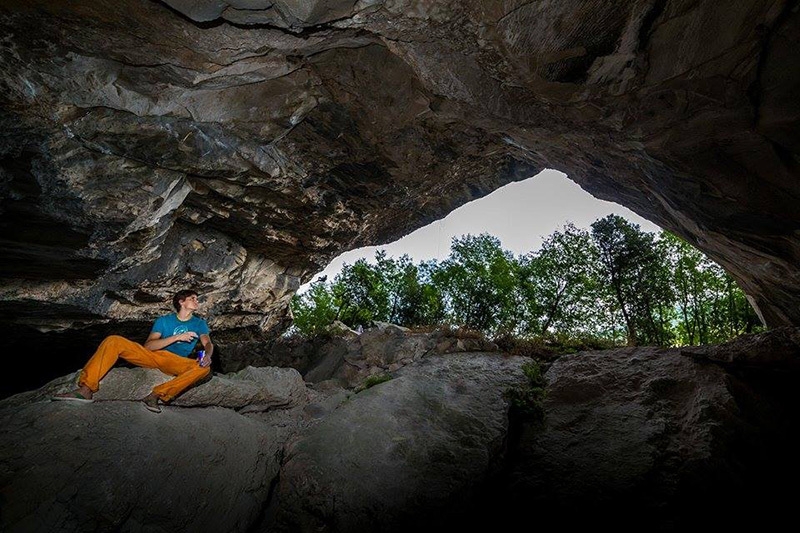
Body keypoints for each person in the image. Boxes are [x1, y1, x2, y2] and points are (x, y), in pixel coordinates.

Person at [52, 289, 214, 413]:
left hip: (176, 362)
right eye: (192, 298)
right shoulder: (164, 321)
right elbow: (148, 346)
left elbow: (207, 343)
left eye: (196, 299)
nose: (196, 301)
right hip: (152, 356)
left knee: (204, 369)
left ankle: (155, 396)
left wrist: (207, 355)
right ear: (181, 302)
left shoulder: (199, 323)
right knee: (113, 340)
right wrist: (176, 337)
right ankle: (86, 390)